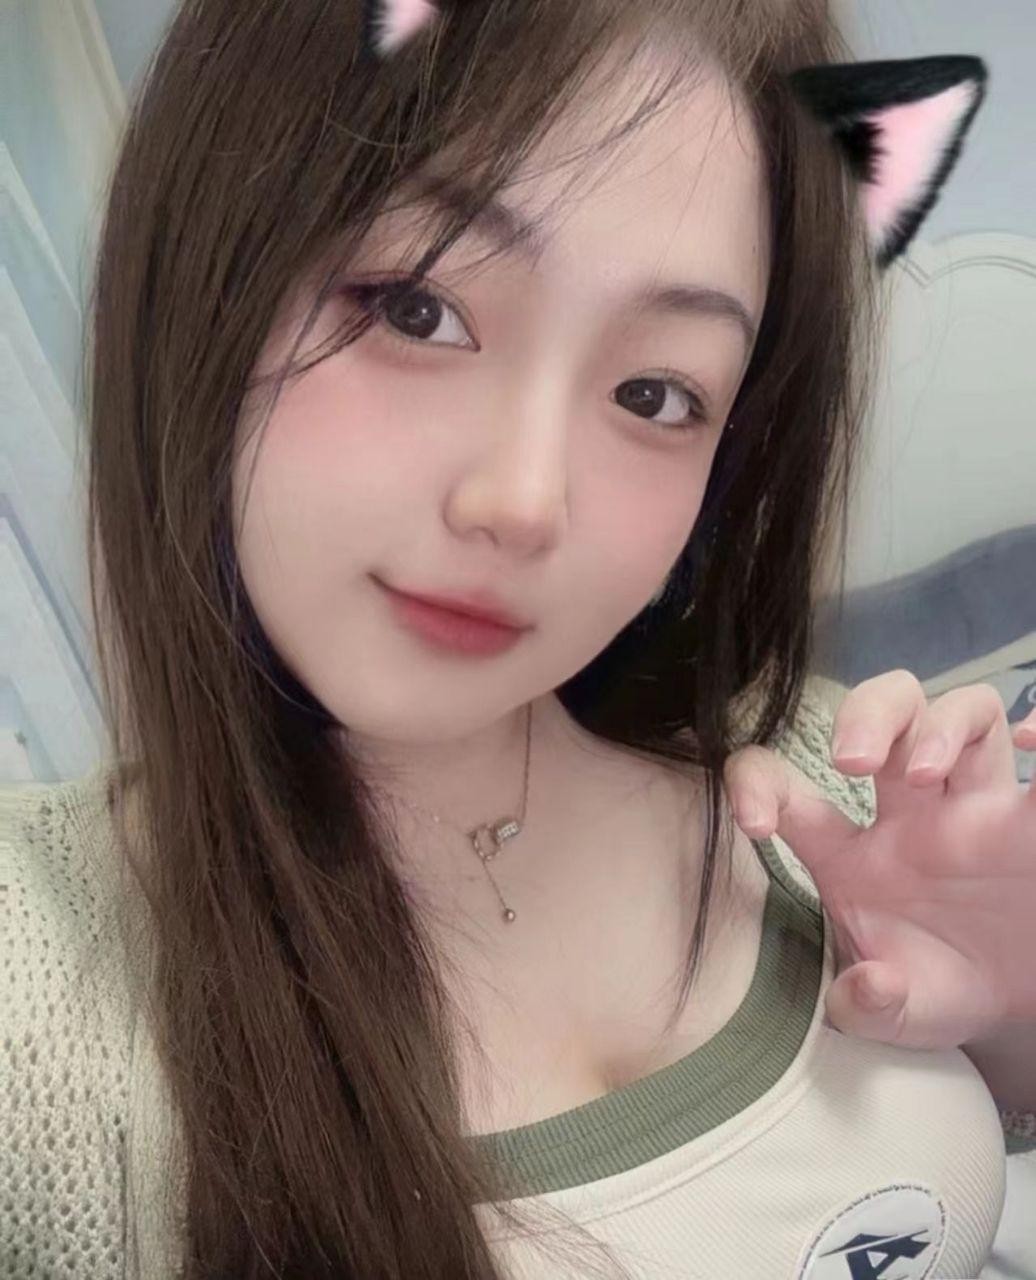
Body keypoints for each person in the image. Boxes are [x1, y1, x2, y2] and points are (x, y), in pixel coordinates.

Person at [1, 1, 1033, 1277]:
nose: (525, 500)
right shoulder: (32, 991)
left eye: (654, 392)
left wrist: (1008, 1010)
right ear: (208, 272)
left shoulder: (821, 775)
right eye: (417, 309)